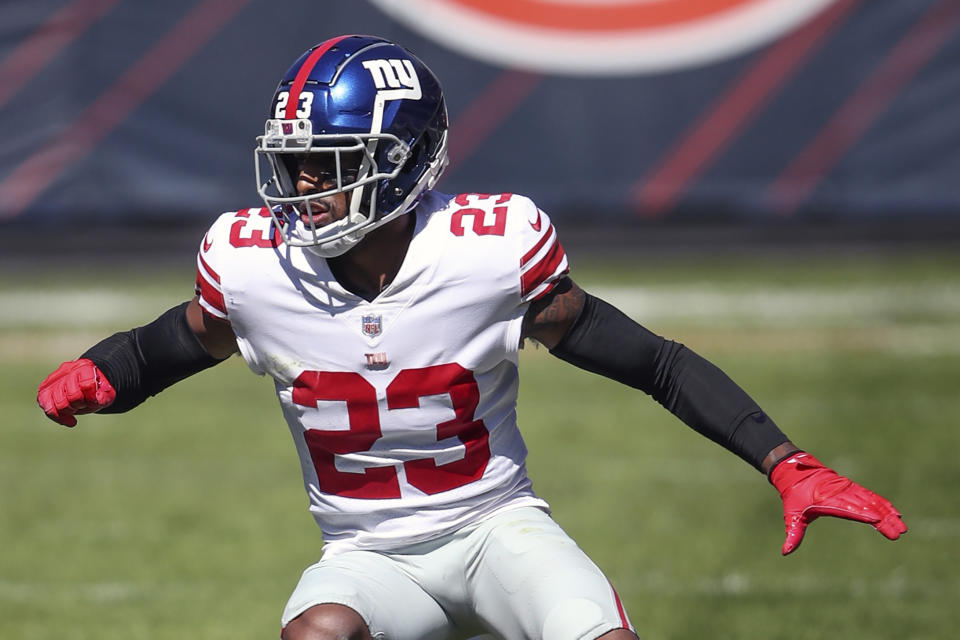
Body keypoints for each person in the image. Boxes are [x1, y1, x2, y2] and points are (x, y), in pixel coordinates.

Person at [36, 35, 906, 640]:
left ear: (405, 160)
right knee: (316, 632)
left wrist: (785, 461)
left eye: (330, 163)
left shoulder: (487, 255)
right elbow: (175, 342)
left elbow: (657, 364)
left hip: (498, 532)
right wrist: (104, 371)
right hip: (367, 553)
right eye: (294, 159)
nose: (302, 183)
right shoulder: (255, 268)